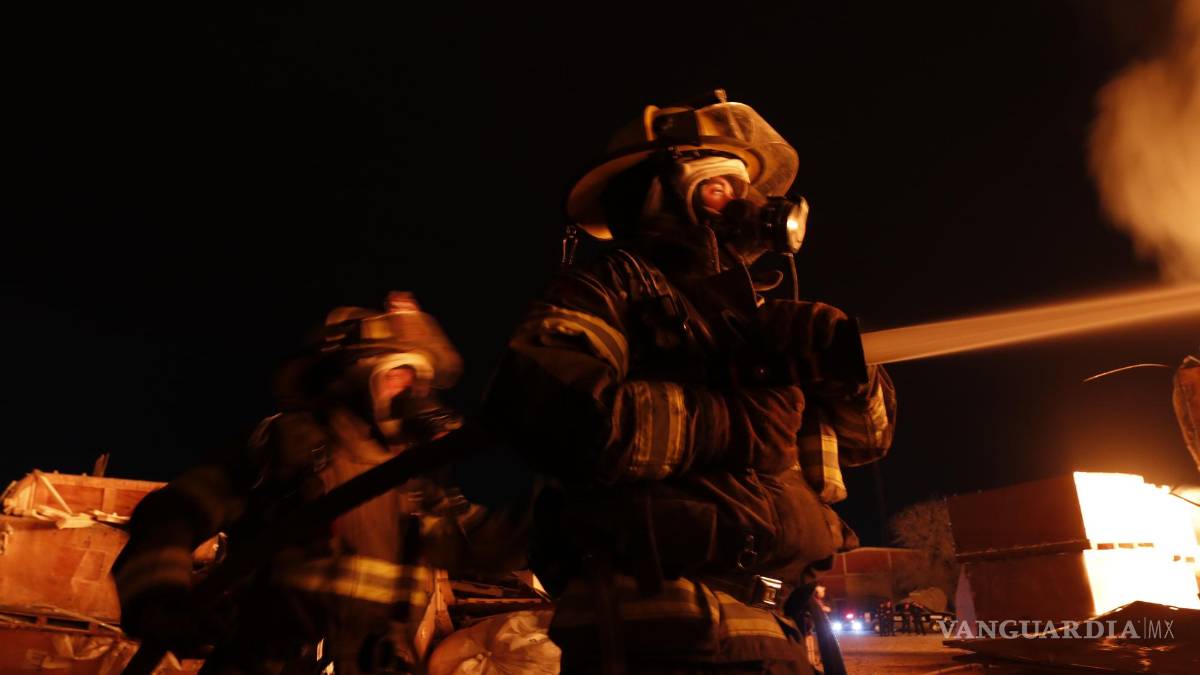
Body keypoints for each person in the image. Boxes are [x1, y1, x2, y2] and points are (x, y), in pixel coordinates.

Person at [484, 91, 897, 674]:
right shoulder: (608, 289)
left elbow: (868, 442)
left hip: (777, 623)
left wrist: (848, 370)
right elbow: (549, 416)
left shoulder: (759, 317)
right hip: (659, 628)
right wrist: (733, 423)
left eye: (747, 187)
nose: (748, 204)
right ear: (658, 195)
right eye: (721, 186)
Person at [113, 293, 533, 674]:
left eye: (418, 379)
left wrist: (551, 509)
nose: (413, 391)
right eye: (399, 373)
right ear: (355, 376)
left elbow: (483, 544)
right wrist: (159, 598)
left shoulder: (413, 482)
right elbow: (175, 513)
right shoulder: (290, 445)